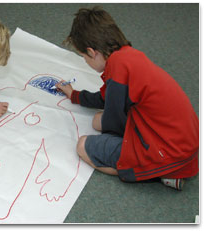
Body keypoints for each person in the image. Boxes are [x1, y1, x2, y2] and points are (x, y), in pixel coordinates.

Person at [55, 6, 198, 190]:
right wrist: (75, 95)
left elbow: (115, 120)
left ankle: (158, 174)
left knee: (83, 146)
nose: (85, 61)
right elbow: (107, 99)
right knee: (98, 120)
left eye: (84, 57)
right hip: (183, 140)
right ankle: (160, 168)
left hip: (169, 152)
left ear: (92, 52)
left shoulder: (118, 71)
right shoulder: (125, 56)